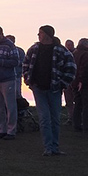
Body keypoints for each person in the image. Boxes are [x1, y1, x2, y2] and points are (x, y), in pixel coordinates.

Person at [23, 24, 77, 156]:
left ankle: (55, 147)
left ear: (46, 34)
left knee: (55, 118)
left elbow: (71, 68)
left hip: (54, 89)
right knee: (44, 118)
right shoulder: (34, 49)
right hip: (38, 88)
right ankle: (48, 147)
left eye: (40, 33)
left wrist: (62, 84)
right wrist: (28, 79)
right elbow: (25, 64)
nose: (38, 35)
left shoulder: (61, 50)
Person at [71, 38, 88, 132]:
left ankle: (76, 124)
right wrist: (82, 80)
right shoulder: (85, 54)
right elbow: (84, 68)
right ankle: (87, 126)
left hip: (74, 82)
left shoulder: (75, 53)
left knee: (78, 104)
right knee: (87, 105)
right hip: (83, 83)